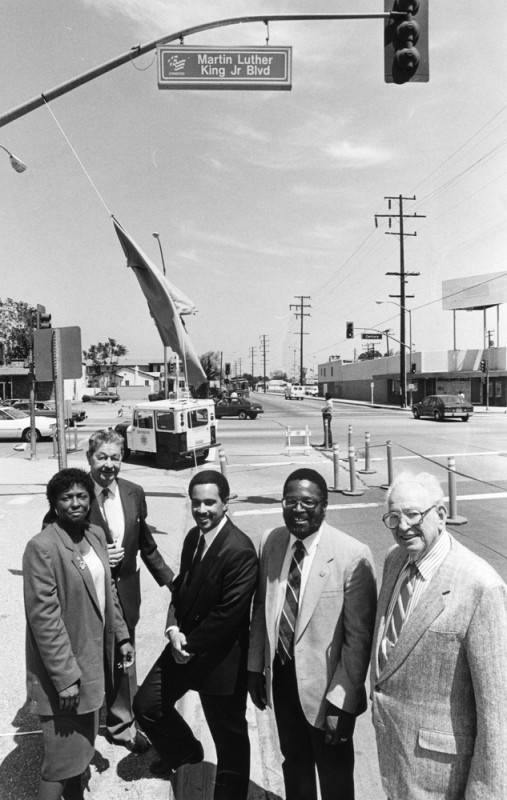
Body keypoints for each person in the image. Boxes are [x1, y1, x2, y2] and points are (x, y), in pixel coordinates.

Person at [371, 472, 507, 800]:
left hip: (443, 779)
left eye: (414, 514)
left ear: (441, 515)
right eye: (393, 517)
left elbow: (497, 712)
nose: (403, 526)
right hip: (396, 759)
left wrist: (486, 792)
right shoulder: (395, 559)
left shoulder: (480, 586)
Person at [248, 467, 377, 800]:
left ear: (324, 505)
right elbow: (262, 608)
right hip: (283, 681)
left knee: (335, 778)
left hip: (327, 693)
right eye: (290, 501)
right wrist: (254, 668)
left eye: (308, 501)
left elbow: (358, 641)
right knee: (295, 766)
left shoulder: (352, 554)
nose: (298, 509)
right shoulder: (272, 541)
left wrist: (342, 703)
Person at [133, 470, 258, 799]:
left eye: (209, 503)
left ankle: (231, 794)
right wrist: (173, 629)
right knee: (146, 706)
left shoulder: (240, 550)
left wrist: (188, 643)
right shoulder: (193, 538)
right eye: (196, 503)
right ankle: (187, 754)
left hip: (220, 660)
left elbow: (228, 616)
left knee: (229, 737)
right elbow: (180, 588)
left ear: (225, 503)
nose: (201, 510)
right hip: (183, 644)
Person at [23, 468, 134, 800]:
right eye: (66, 497)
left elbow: (109, 590)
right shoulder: (42, 547)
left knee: (79, 757)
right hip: (65, 673)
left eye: (82, 496)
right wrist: (65, 677)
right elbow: (45, 620)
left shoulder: (95, 535)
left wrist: (123, 636)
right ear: (54, 503)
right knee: (60, 764)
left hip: (93, 662)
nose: (75, 503)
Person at [86, 429, 173, 752]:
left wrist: (171, 581)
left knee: (124, 657)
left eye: (115, 457)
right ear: (89, 458)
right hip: (91, 592)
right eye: (102, 457)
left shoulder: (134, 492)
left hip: (126, 589)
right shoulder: (77, 492)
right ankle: (87, 722)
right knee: (91, 654)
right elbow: (57, 541)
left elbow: (146, 545)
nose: (108, 464)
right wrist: (94, 554)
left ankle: (121, 724)